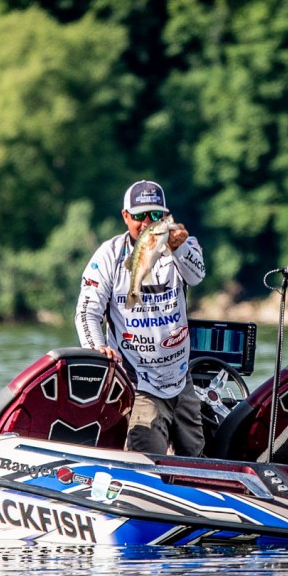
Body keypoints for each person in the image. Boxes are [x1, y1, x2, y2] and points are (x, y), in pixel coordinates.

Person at [75, 179, 207, 456]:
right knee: (148, 458)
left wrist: (179, 248)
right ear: (125, 216)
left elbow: (197, 276)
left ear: (166, 216)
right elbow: (87, 311)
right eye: (139, 216)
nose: (147, 222)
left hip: (181, 378)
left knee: (195, 456)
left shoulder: (184, 243)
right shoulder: (109, 255)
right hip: (138, 381)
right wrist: (96, 348)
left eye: (155, 215)